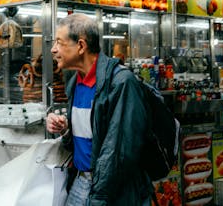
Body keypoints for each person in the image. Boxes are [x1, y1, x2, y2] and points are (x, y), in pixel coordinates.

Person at [46, 13, 153, 205]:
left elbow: (119, 152)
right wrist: (65, 129)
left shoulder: (121, 83)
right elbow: (88, 139)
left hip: (113, 191)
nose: (53, 49)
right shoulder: (74, 82)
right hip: (81, 182)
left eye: (59, 43)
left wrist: (98, 198)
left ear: (80, 46)